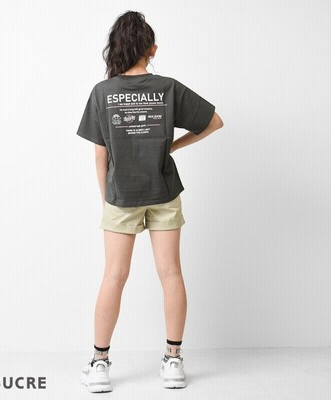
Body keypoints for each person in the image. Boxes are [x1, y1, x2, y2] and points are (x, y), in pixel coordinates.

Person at [76, 10, 223, 393]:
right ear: (152, 49)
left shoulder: (102, 92)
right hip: (164, 192)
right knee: (171, 273)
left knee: (114, 275)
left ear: (116, 49)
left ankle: (100, 364)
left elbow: (100, 155)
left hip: (121, 195)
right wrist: (170, 146)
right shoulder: (168, 88)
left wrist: (107, 199)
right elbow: (214, 122)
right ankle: (173, 361)